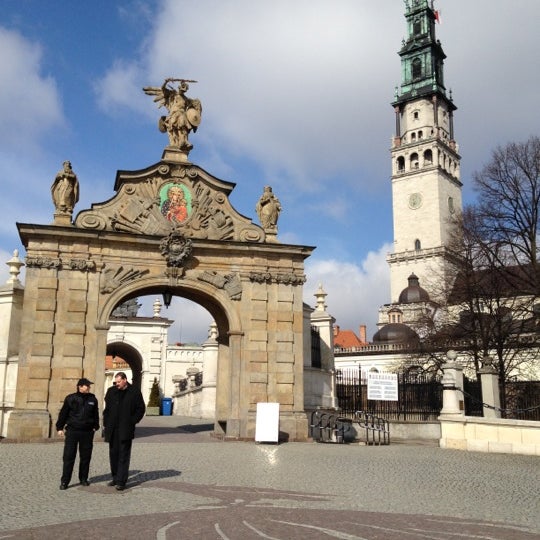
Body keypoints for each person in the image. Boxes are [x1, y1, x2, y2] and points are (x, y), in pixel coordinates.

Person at [103, 372, 146, 491]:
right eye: (115, 382)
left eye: (118, 382)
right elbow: (107, 409)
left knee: (124, 455)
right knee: (113, 454)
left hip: (125, 428)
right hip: (112, 428)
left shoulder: (134, 391)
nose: (116, 384)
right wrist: (106, 423)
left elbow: (140, 408)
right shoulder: (111, 391)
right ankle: (115, 477)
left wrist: (132, 421)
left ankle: (122, 481)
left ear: (124, 380)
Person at [56, 378, 99, 490]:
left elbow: (95, 414)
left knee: (85, 457)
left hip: (87, 432)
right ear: (80, 386)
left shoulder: (93, 398)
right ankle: (65, 481)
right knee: (69, 457)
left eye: (89, 385)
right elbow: (63, 413)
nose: (89, 387)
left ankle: (83, 478)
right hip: (72, 431)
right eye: (87, 385)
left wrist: (96, 426)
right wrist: (59, 427)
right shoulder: (71, 398)